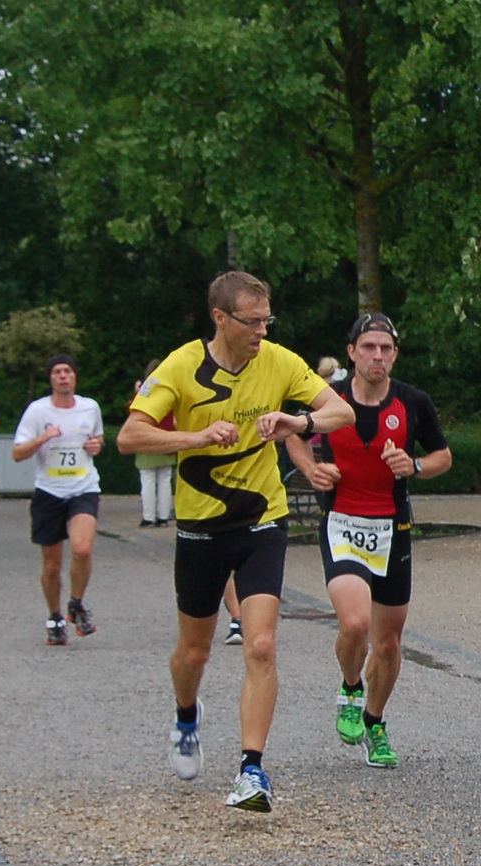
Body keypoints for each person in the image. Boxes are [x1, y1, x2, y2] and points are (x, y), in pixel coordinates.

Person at [118, 271, 354, 813]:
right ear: (221, 319)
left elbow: (339, 411)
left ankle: (252, 769)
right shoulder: (180, 366)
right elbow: (130, 435)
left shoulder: (277, 360)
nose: (262, 331)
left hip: (261, 521)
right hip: (201, 527)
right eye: (252, 322)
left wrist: (297, 420)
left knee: (262, 644)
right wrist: (194, 437)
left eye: (268, 320)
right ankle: (185, 715)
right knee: (193, 652)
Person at [293, 313, 451, 770]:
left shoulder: (412, 402)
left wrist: (415, 466)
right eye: (368, 347)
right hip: (341, 521)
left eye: (385, 348)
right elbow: (293, 436)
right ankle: (349, 686)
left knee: (388, 644)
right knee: (355, 624)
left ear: (394, 354)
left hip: (393, 529)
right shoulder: (329, 400)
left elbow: (442, 456)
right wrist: (311, 470)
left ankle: (376, 721)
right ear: (351, 353)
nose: (376, 356)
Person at [13, 354, 105, 645]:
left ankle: (76, 603)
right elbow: (17, 453)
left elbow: (98, 440)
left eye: (67, 371)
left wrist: (95, 445)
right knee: (52, 565)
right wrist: (42, 438)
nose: (63, 376)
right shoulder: (37, 411)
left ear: (75, 377)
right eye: (57, 372)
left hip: (83, 487)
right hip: (49, 491)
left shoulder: (90, 407)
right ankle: (54, 616)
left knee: (82, 548)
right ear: (50, 378)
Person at [130, 359, 175, 527]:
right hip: (168, 440)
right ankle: (163, 517)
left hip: (146, 442)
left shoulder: (144, 393)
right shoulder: (171, 391)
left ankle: (148, 517)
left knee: (148, 480)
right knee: (165, 480)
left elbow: (132, 411)